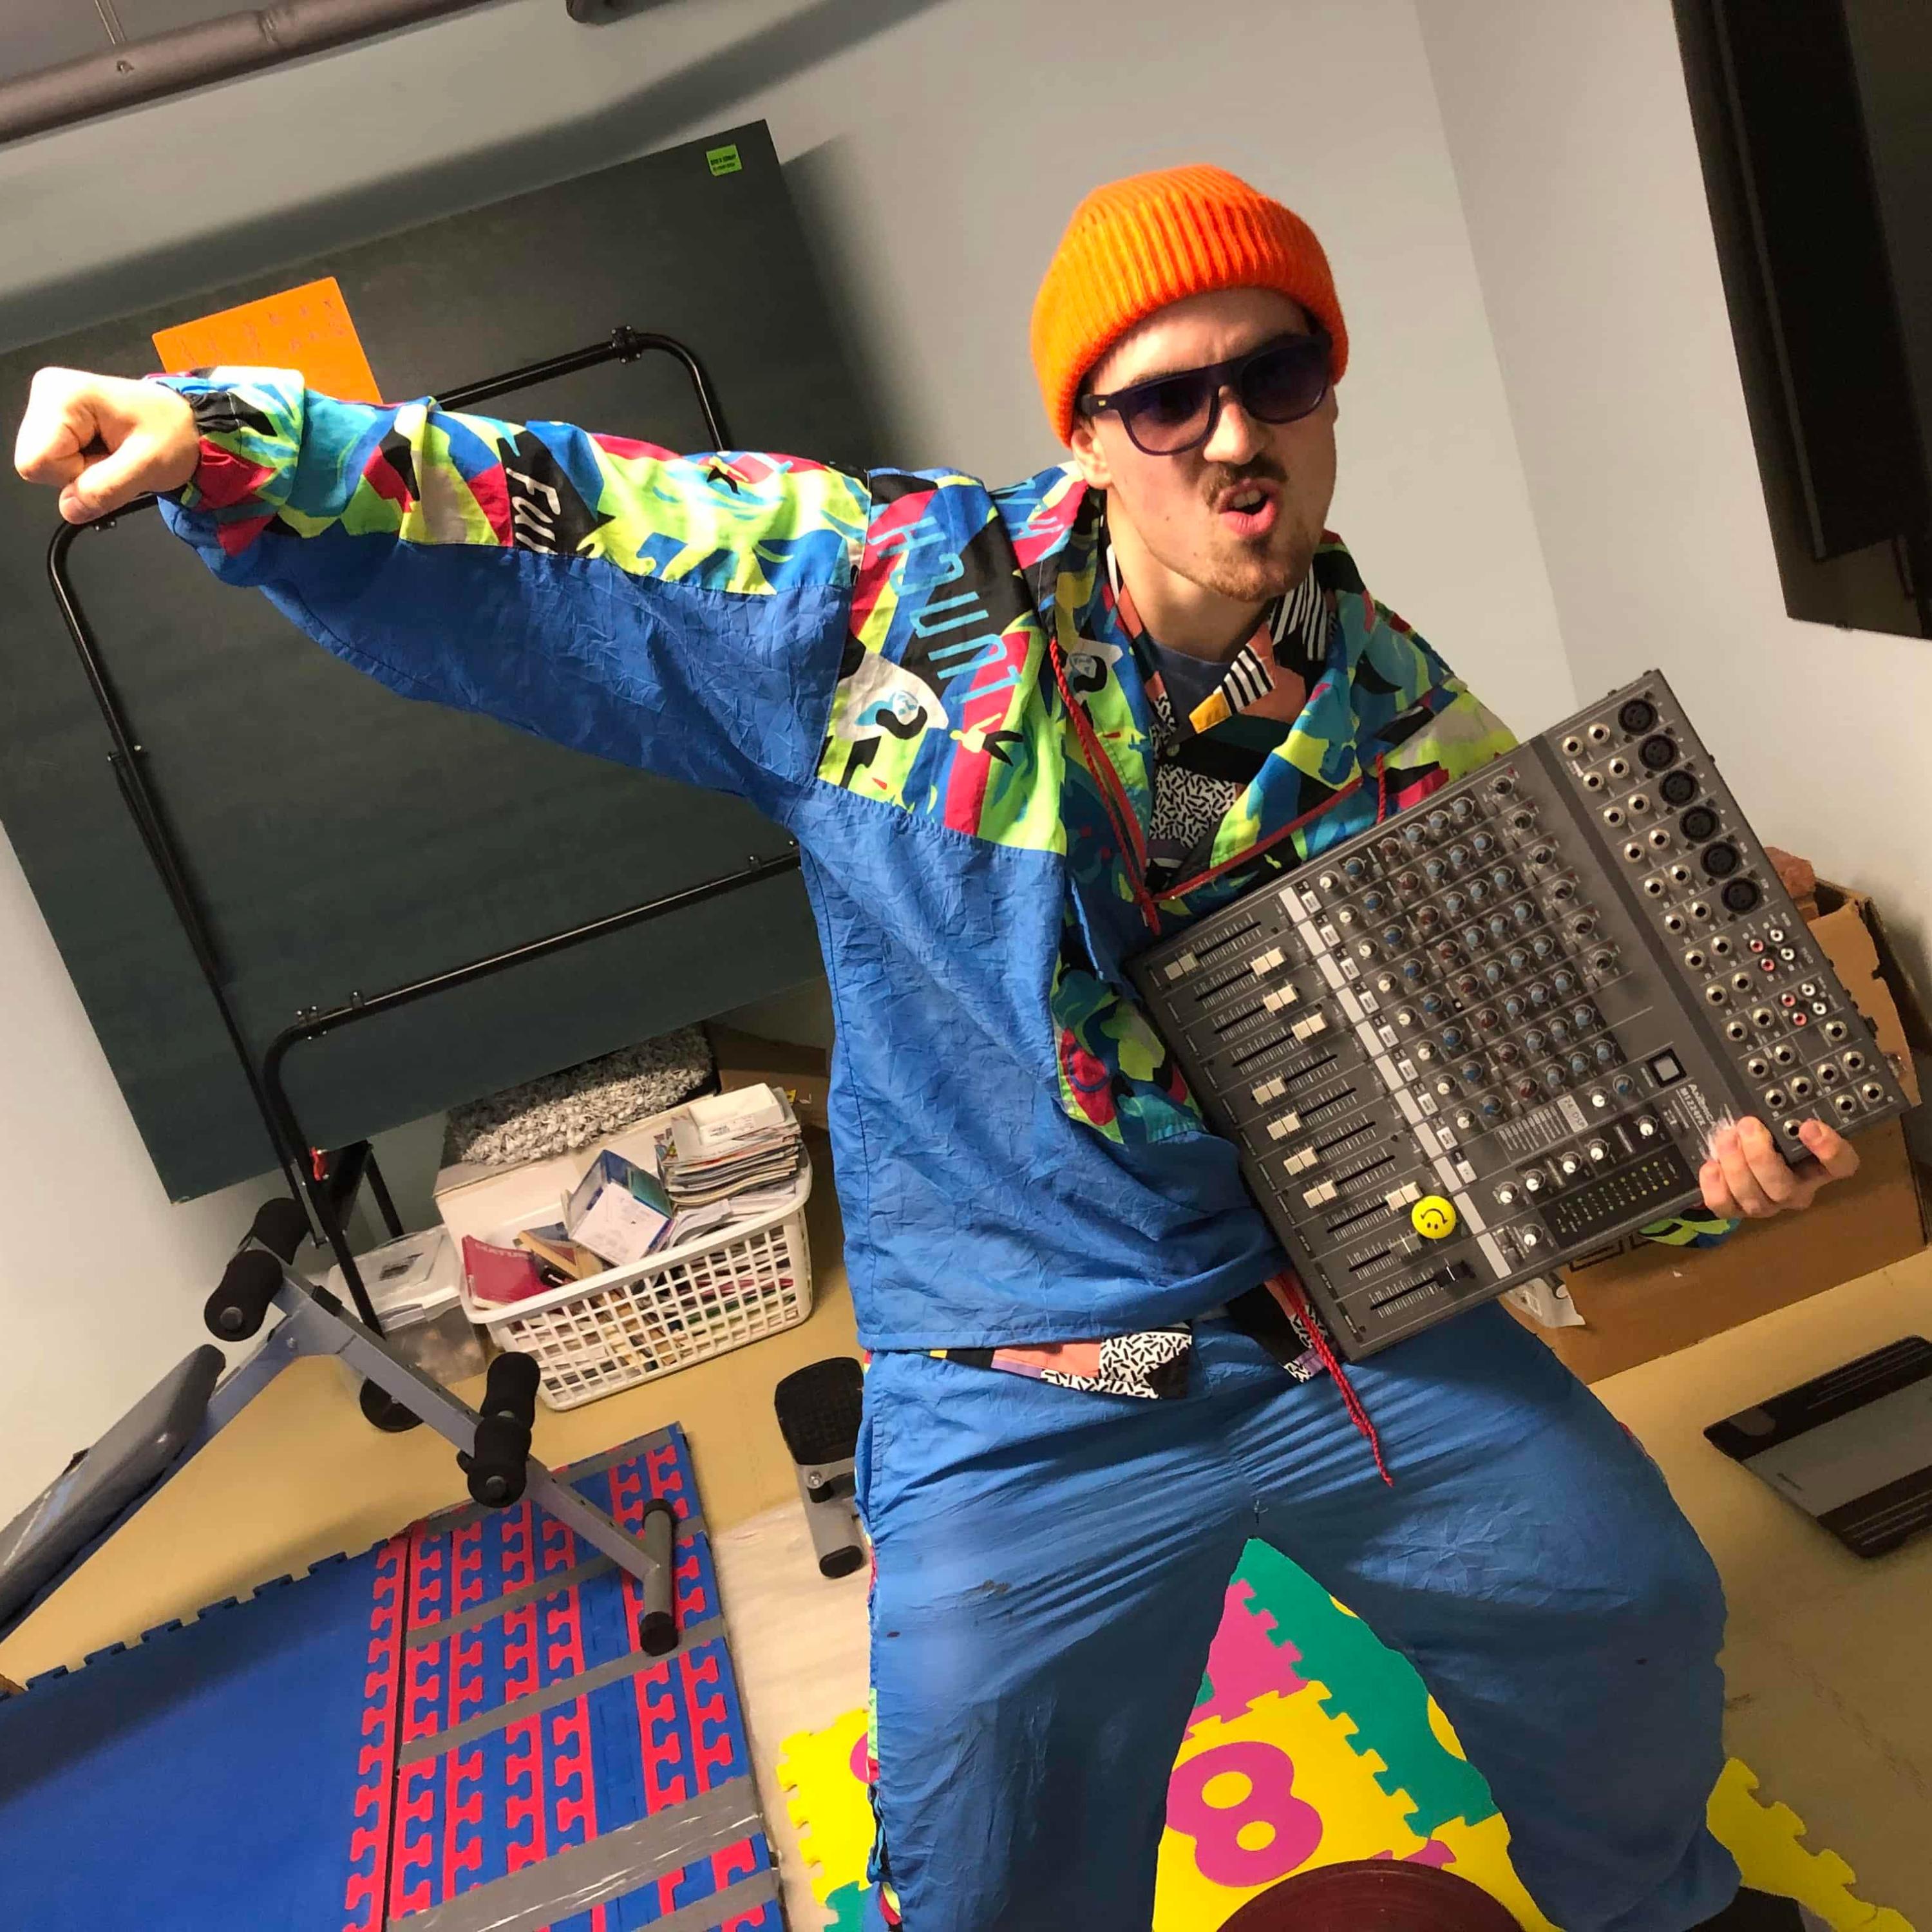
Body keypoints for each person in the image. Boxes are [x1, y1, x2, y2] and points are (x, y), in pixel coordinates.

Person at [14, 166, 1853, 1932]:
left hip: (1334, 1323)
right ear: (1086, 436)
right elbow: (578, 515)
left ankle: (1660, 1907)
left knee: (1624, 1593)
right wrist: (237, 438)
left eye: (1278, 376)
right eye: (1169, 398)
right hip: (1017, 1378)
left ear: (1327, 397)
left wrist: (1706, 1169)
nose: (1232, 434)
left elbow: (1560, 1047)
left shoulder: (1395, 709)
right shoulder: (889, 599)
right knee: (978, 1860)